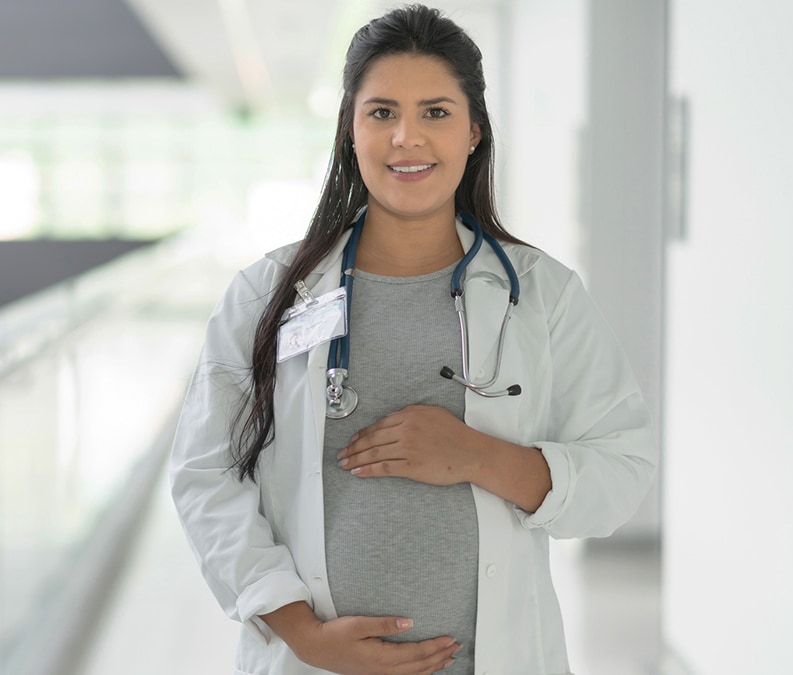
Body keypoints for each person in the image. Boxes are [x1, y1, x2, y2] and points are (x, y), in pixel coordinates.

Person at [168, 4, 657, 674]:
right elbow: (206, 475)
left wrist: (477, 456)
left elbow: (622, 467)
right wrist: (301, 633)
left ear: (474, 131)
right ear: (349, 130)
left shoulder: (542, 295)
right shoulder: (268, 293)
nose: (407, 137)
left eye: (435, 112)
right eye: (381, 113)